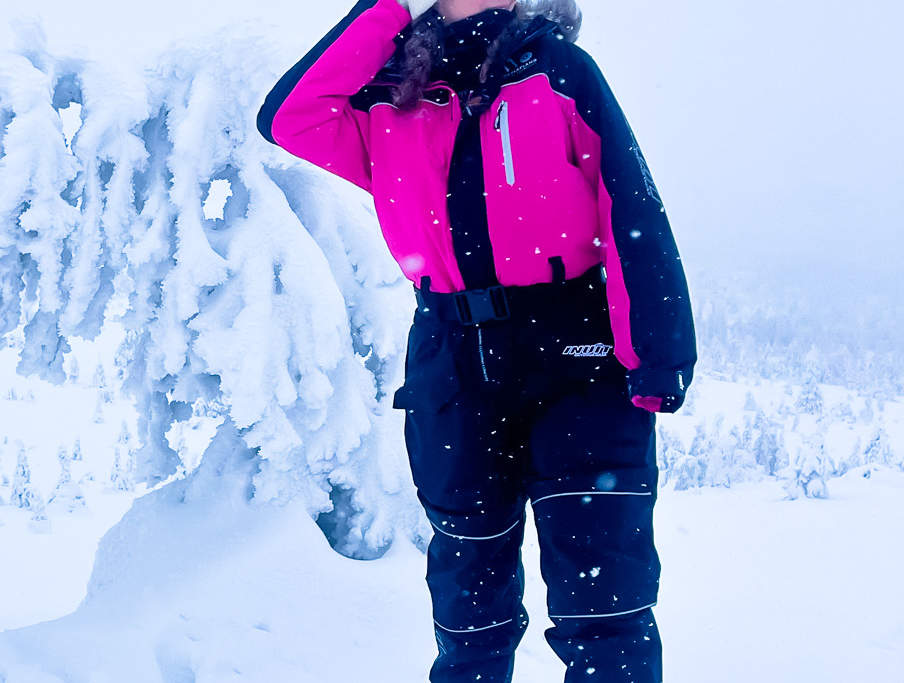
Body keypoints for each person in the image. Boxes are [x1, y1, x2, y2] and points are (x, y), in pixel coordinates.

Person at [256, 1, 695, 682]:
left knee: (603, 605)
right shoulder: (389, 95)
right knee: (470, 612)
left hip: (576, 357)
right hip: (453, 362)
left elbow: (629, 202)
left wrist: (658, 352)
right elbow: (290, 116)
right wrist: (389, 9)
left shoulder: (558, 72)